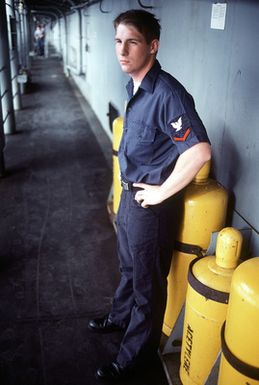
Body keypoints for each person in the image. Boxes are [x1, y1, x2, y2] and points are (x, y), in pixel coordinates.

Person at [88, 9, 211, 382]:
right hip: (129, 198)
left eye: (132, 42)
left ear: (153, 46)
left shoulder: (167, 93)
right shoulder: (135, 86)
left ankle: (133, 358)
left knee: (147, 285)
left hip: (149, 209)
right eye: (118, 42)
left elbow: (199, 151)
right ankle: (118, 318)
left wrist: (160, 194)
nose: (122, 51)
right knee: (129, 268)